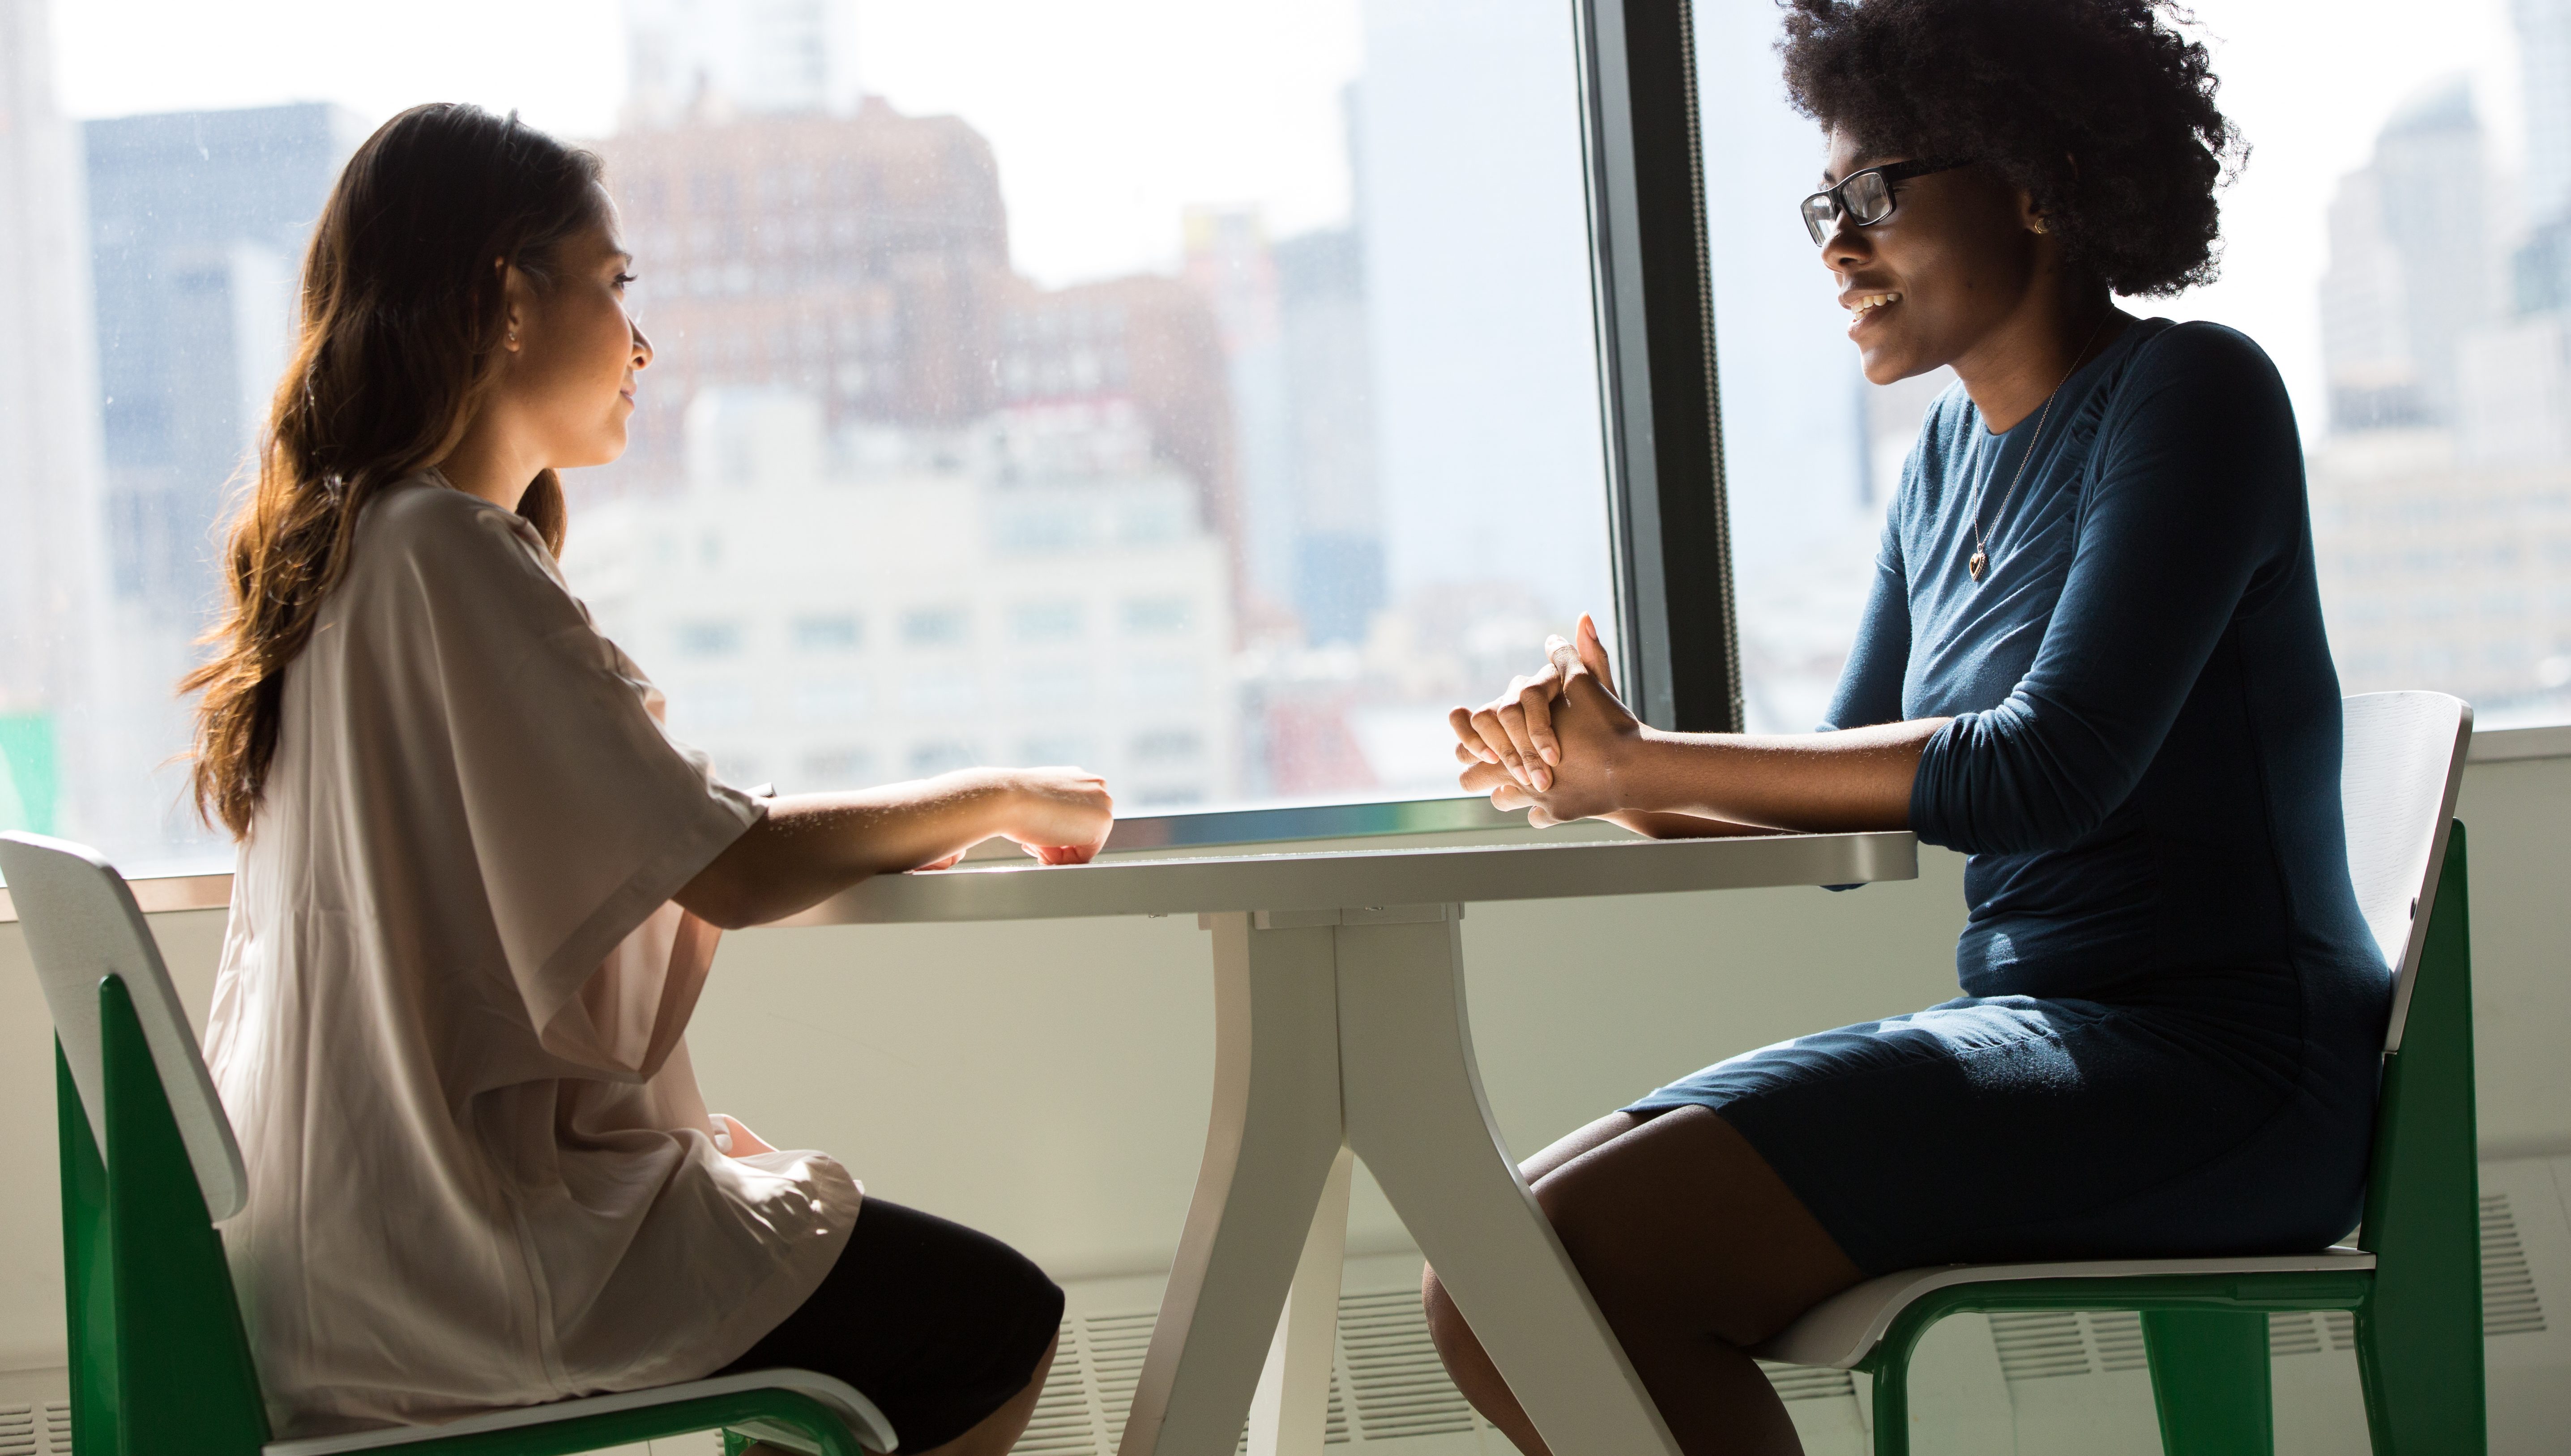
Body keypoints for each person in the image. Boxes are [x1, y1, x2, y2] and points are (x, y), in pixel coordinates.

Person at [1431, 2, 2385, 1453]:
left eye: (1875, 193)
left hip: (2223, 1071)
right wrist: (1596, 780)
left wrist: (1645, 758)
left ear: (2038, 178)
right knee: (1485, 1281)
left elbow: (2044, 770)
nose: (1835, 244)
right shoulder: (1941, 463)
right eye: (1827, 202)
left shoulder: (2194, 396)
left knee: (1549, 1275)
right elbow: (1846, 820)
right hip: (2043, 1036)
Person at [186, 103, 1109, 1454]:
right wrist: (1003, 795)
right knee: (989, 1318)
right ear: (509, 298)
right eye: (616, 286)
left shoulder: (344, 558)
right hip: (449, 1270)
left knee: (857, 1290)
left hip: (330, 1255)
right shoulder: (445, 556)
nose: (643, 340)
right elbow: (726, 864)